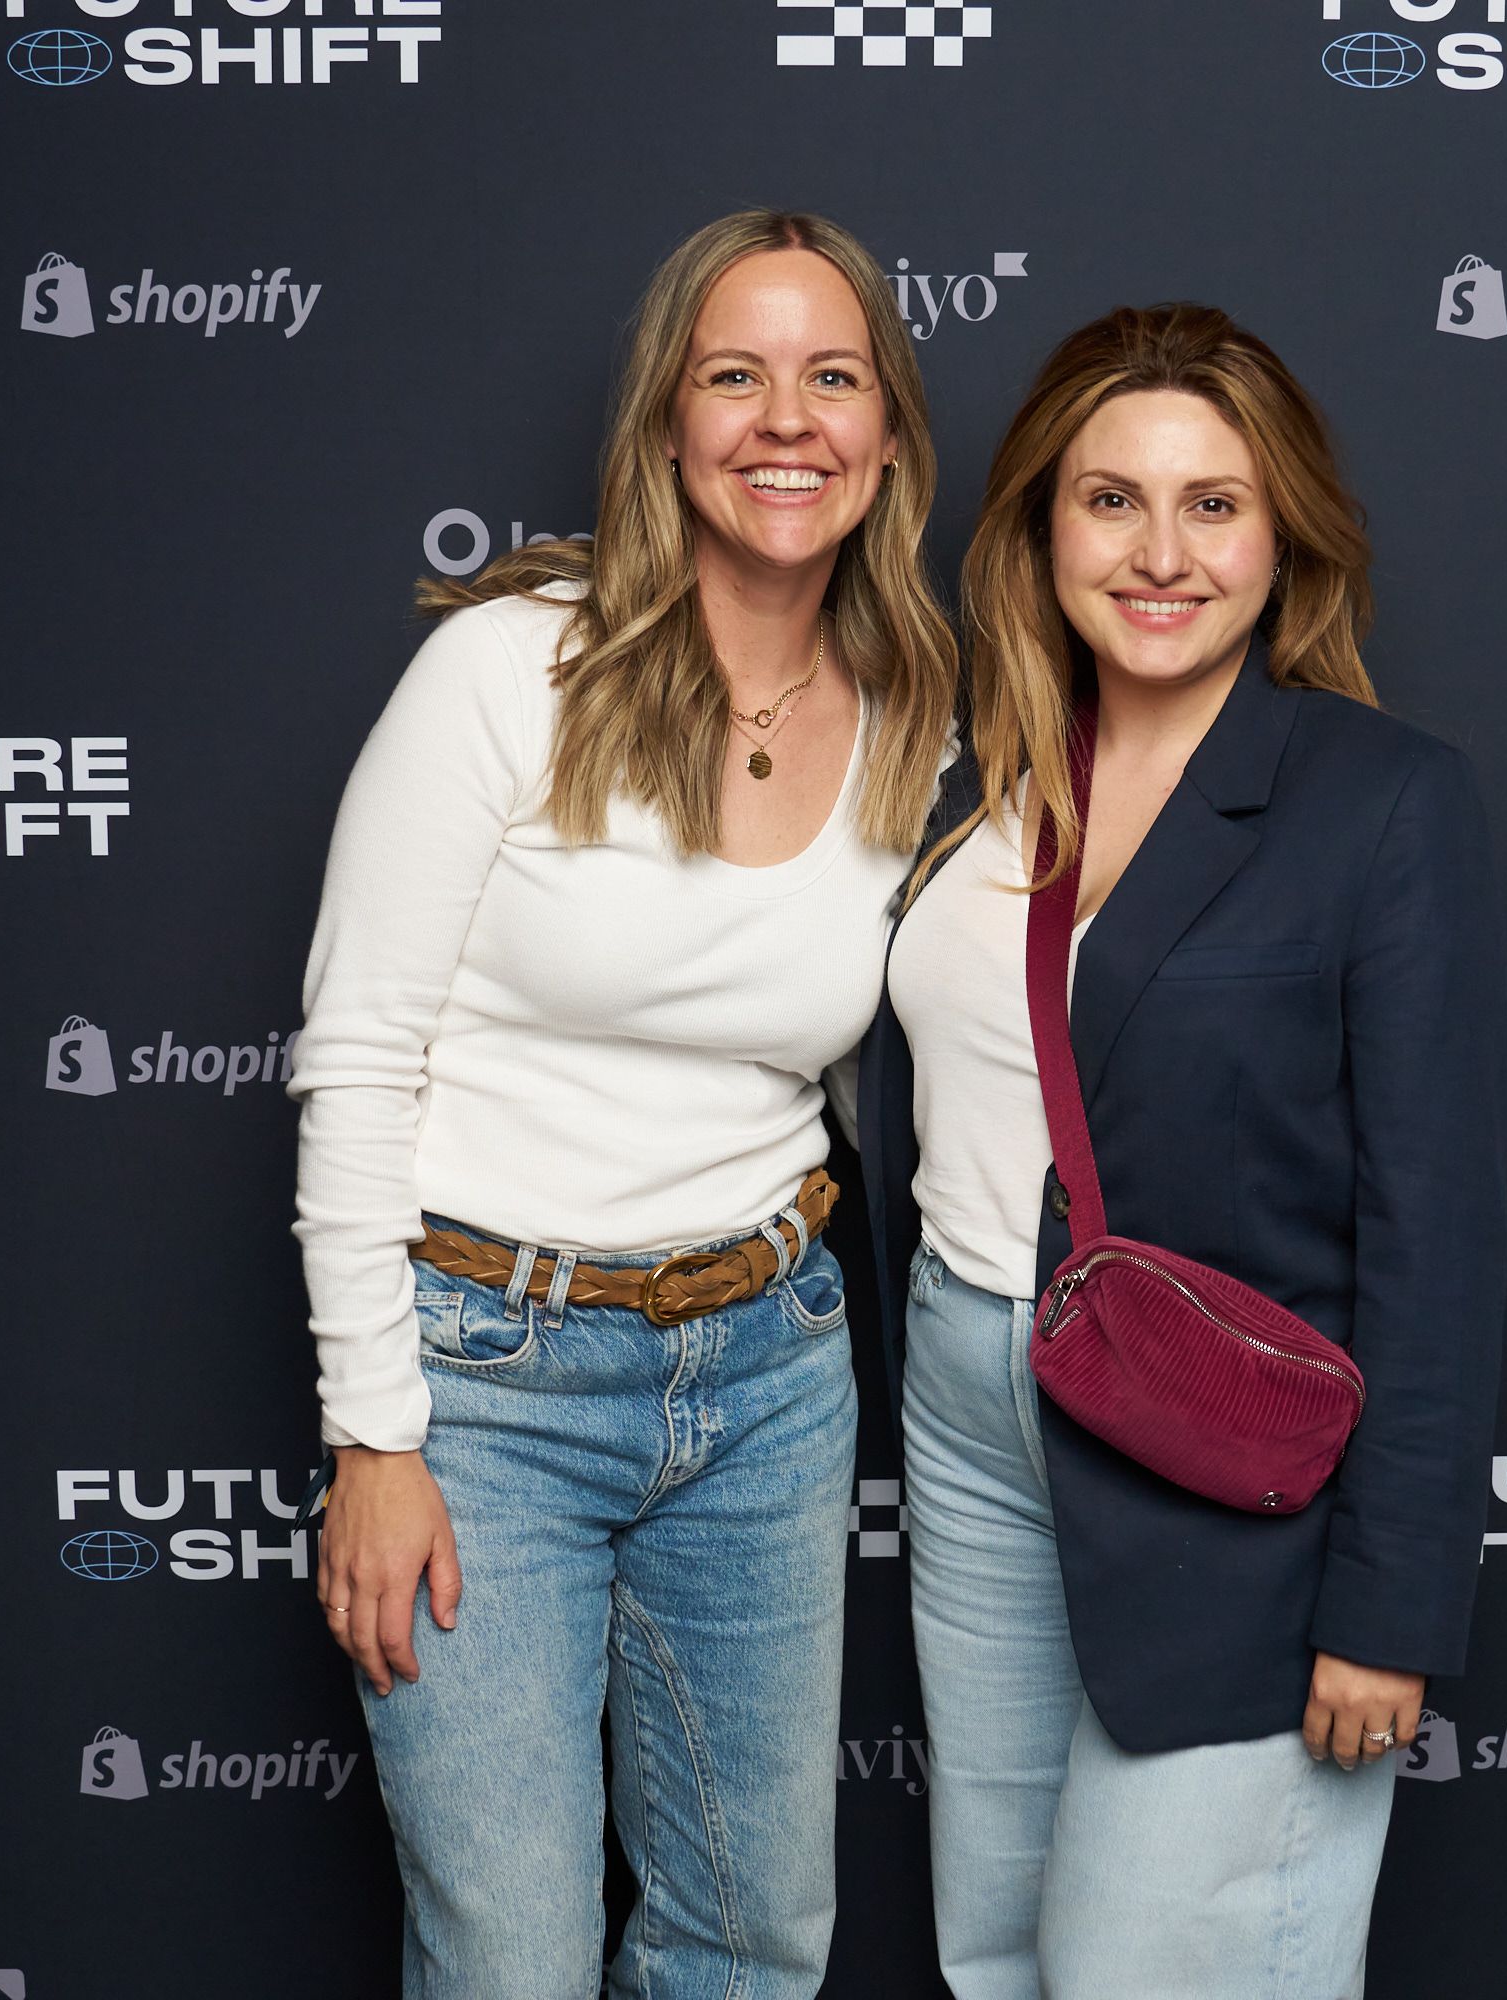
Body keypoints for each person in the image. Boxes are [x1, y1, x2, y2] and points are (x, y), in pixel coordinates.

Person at [288, 210, 959, 1999]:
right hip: (485, 1381)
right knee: (509, 1957)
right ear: (668, 424)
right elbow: (357, 1053)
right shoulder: (513, 669)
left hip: (768, 1373)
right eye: (733, 376)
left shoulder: (923, 712)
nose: (785, 420)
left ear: (890, 430)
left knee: (753, 1940)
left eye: (833, 377)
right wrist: (376, 1434)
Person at [856, 304, 1507, 1998]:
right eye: (1112, 500)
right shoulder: (967, 779)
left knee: (1162, 1970)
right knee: (997, 1957)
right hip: (970, 1403)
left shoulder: (1379, 800)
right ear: (1039, 526)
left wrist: (1389, 1606)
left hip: (1226, 1470)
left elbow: (1436, 1235)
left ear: (1283, 533)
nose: (1160, 554)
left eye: (1213, 503)